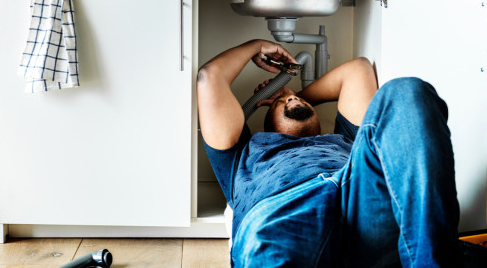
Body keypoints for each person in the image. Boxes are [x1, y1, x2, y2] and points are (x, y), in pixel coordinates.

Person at [197, 39, 461, 267]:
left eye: (296, 101)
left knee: (406, 92)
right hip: (283, 210)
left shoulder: (345, 138)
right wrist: (256, 45)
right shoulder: (243, 153)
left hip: (358, 198)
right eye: (280, 104)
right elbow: (210, 77)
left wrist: (294, 94)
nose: (292, 101)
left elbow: (358, 70)